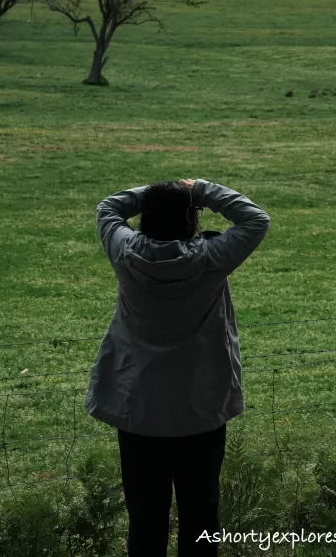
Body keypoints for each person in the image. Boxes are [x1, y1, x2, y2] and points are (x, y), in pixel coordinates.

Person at [85, 178, 270, 556]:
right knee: (202, 514)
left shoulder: (123, 252)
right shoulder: (212, 258)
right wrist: (199, 188)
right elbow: (255, 219)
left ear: (146, 218)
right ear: (191, 219)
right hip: (200, 408)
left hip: (139, 408)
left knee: (145, 515)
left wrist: (154, 192)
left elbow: (108, 207)